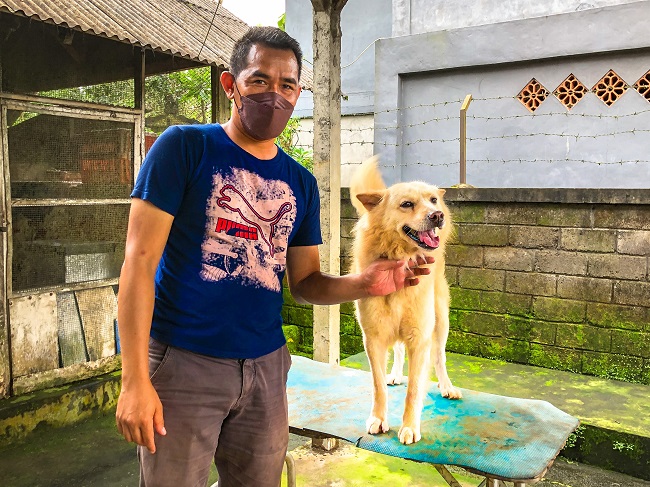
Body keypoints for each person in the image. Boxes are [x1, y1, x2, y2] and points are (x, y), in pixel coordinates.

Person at [115, 26, 433, 487]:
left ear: (298, 93)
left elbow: (305, 283)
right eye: (259, 80)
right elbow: (138, 263)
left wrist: (365, 282)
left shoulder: (300, 182)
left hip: (266, 367)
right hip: (184, 364)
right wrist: (134, 380)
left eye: (287, 85)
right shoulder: (184, 147)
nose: (275, 95)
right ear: (231, 85)